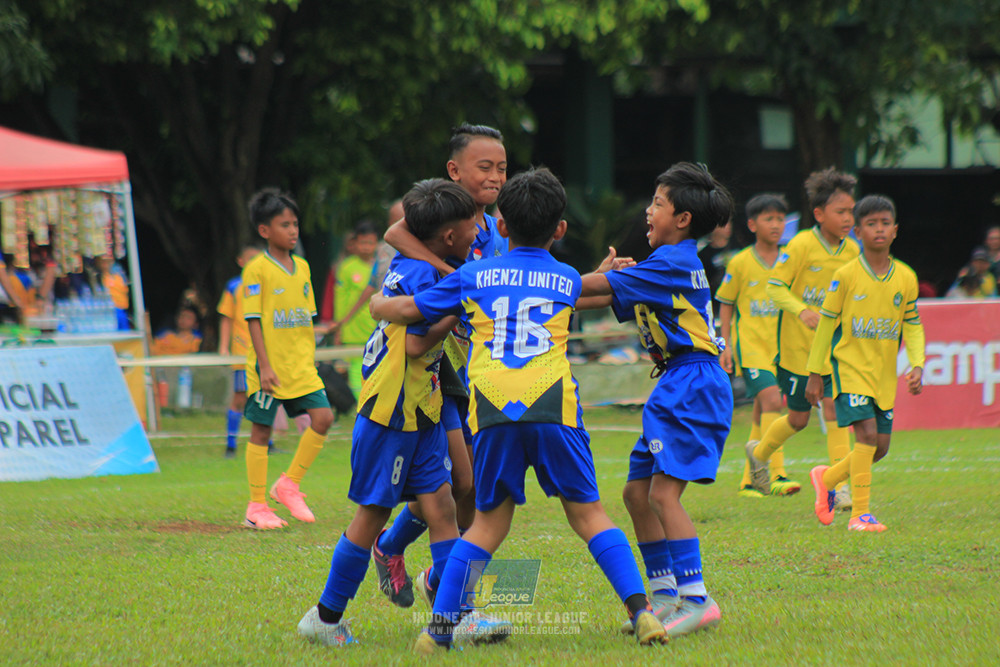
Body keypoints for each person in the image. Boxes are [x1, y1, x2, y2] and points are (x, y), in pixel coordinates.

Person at [373, 168, 667, 652]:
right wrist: (611, 272)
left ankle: (438, 632)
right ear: (560, 230)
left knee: (488, 524)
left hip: (490, 406)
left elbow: (409, 311)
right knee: (590, 515)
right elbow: (588, 290)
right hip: (553, 401)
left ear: (500, 226)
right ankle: (643, 613)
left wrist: (379, 305)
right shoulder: (566, 276)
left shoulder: (472, 274)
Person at [296, 178, 479, 648]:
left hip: (423, 409)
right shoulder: (421, 275)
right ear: (450, 236)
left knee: (440, 509)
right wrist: (459, 312)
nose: (479, 230)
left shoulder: (421, 261)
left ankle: (450, 619)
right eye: (472, 223)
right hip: (391, 412)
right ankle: (324, 617)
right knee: (373, 514)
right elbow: (416, 343)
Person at [578, 162, 733, 639]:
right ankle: (665, 596)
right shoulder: (663, 265)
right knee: (634, 494)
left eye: (658, 204)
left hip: (692, 383)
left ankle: (697, 598)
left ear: (682, 219)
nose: (648, 211)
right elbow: (595, 298)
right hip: (676, 383)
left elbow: (593, 289)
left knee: (663, 495)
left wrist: (531, 283)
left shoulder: (673, 262)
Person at [370, 125, 508, 608]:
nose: (495, 177)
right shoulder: (441, 212)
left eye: (502, 169)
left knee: (466, 491)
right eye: (484, 167)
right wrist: (452, 279)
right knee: (462, 484)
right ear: (455, 171)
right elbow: (393, 232)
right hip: (436, 367)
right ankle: (457, 599)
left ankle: (398, 550)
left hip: (476, 365)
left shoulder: (492, 228)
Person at [805, 195, 925, 532]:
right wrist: (816, 374)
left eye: (885, 223)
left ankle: (826, 478)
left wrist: (916, 364)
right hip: (849, 369)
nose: (879, 229)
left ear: (895, 230)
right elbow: (826, 325)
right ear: (858, 231)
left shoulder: (906, 277)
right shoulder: (845, 276)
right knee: (867, 436)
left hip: (883, 375)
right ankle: (861, 515)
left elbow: (912, 324)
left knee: (880, 448)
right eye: (871, 224)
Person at [745, 168, 860, 507]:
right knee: (797, 419)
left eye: (851, 211)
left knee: (836, 410)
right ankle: (760, 453)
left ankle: (838, 487)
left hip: (834, 351)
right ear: (819, 214)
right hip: (797, 352)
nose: (848, 218)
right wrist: (802, 310)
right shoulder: (800, 246)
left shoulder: (853, 252)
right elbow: (775, 287)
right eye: (841, 212)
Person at [240, 188, 334, 530]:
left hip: (301, 366)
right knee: (262, 429)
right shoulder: (257, 270)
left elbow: (303, 317)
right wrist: (264, 365)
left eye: (295, 224)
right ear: (265, 231)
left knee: (323, 418)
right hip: (271, 367)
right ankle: (256, 506)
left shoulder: (304, 267)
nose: (293, 230)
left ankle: (289, 484)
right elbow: (252, 320)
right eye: (284, 224)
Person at [716, 194, 800, 498]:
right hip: (751, 348)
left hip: (785, 350)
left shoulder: (792, 260)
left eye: (780, 218)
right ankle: (776, 474)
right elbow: (725, 304)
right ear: (752, 224)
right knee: (774, 402)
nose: (776, 225)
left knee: (761, 411)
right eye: (769, 218)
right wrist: (725, 345)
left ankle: (749, 481)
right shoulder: (739, 262)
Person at [217, 245, 262, 458]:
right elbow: (226, 318)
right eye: (251, 258)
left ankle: (266, 443)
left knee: (265, 397)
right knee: (240, 397)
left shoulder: (267, 285)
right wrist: (224, 347)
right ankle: (231, 444)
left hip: (265, 353)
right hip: (242, 352)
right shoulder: (234, 286)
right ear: (241, 261)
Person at [330, 221, 379, 394]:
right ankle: (360, 404)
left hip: (374, 326)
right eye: (362, 242)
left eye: (370, 243)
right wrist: (339, 326)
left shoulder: (380, 266)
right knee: (356, 368)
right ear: (354, 244)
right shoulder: (346, 267)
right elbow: (340, 300)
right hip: (353, 329)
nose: (366, 247)